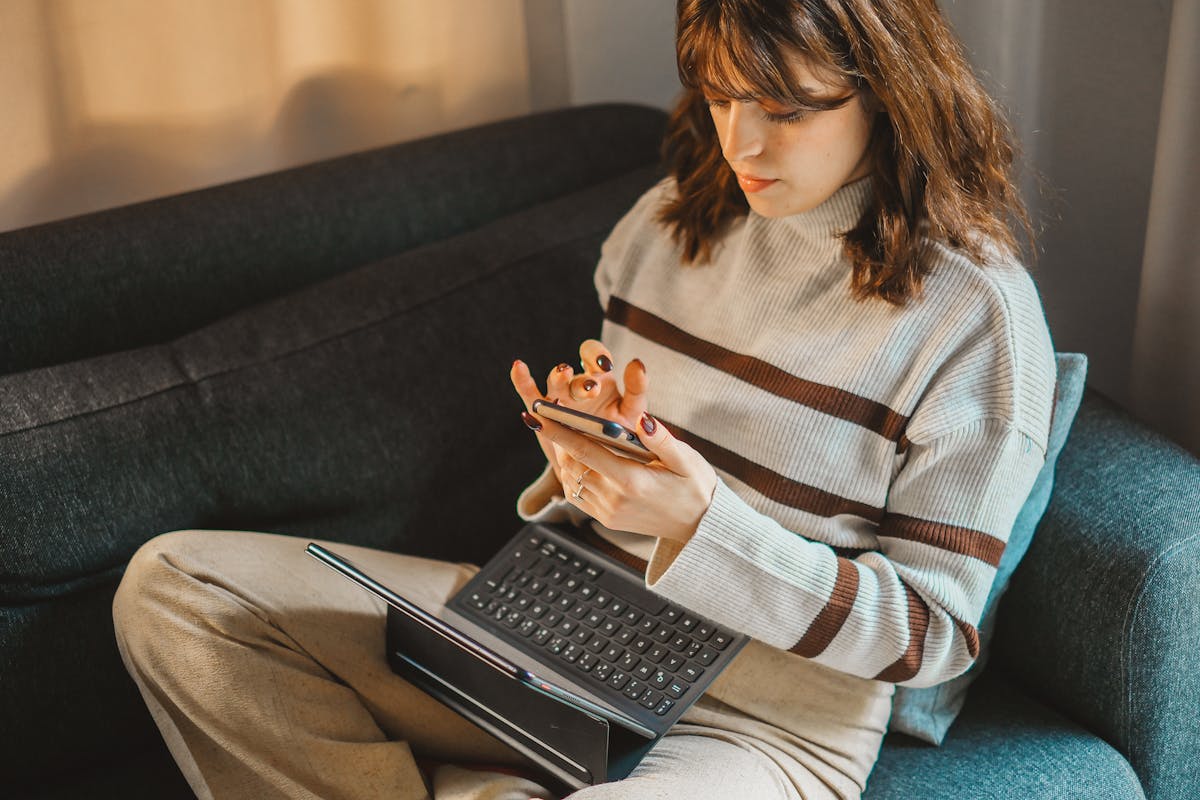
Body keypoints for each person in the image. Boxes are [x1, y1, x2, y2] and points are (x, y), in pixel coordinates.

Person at [112, 1, 1056, 799]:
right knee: (178, 595)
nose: (742, 142)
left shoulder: (974, 318)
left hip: (769, 717)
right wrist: (587, 460)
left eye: (785, 107)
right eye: (722, 95)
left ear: (892, 91)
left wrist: (702, 525)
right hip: (560, 625)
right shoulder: (664, 226)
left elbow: (932, 637)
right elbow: (612, 496)